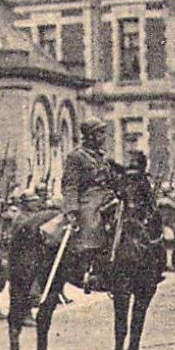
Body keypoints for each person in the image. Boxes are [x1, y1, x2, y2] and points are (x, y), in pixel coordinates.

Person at [61, 119, 116, 291]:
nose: (103, 136)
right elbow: (70, 185)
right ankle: (90, 268)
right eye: (99, 133)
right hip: (88, 197)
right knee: (92, 221)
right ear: (90, 136)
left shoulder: (102, 155)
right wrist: (71, 210)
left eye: (103, 132)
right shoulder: (76, 156)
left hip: (108, 195)